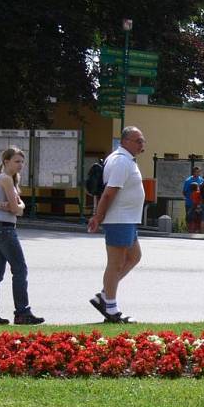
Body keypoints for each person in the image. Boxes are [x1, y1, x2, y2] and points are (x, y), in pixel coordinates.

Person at [87, 126, 146, 324]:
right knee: (116, 263)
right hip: (119, 218)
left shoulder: (125, 159)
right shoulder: (121, 161)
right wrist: (98, 216)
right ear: (126, 141)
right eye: (138, 141)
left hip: (127, 218)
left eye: (142, 141)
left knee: (134, 256)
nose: (142, 145)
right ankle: (110, 308)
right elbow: (109, 192)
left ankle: (105, 296)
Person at [0, 147, 44, 325]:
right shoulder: (6, 179)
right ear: (6, 161)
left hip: (1, 228)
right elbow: (16, 209)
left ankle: (21, 312)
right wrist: (18, 206)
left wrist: (12, 206)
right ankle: (22, 312)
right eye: (17, 161)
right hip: (5, 230)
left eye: (22, 161)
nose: (21, 165)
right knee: (20, 270)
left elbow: (15, 208)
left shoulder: (5, 179)